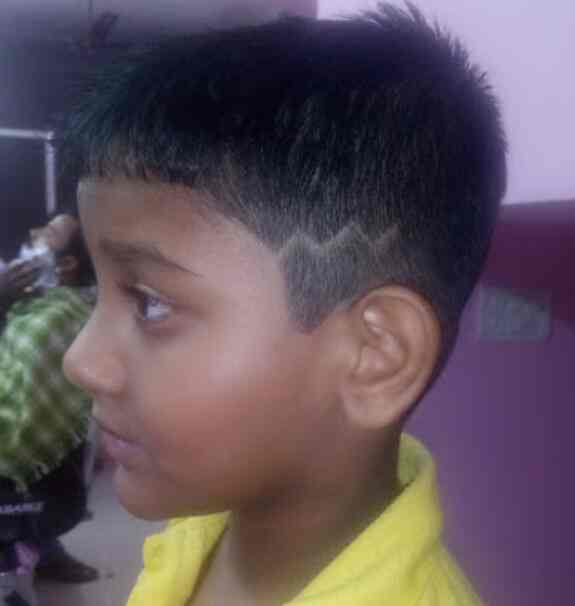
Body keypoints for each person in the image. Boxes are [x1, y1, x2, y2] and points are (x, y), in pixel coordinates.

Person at [62, 4, 506, 605]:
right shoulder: (208, 520)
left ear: (374, 356)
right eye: (101, 290)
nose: (81, 361)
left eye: (151, 304)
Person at [0, 215, 99, 584]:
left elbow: (22, 395)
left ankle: (37, 552)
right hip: (37, 445)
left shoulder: (55, 316)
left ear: (67, 264)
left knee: (34, 497)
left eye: (49, 232)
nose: (33, 232)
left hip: (34, 442)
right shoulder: (35, 303)